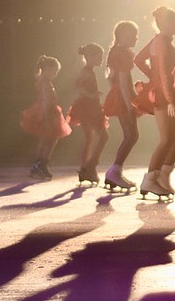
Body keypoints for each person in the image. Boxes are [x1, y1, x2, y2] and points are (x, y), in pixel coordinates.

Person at [133, 7, 175, 201]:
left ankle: (162, 176)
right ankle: (150, 179)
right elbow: (164, 74)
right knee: (168, 138)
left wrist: (153, 77)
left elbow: (139, 59)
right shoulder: (161, 42)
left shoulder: (158, 40)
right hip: (163, 95)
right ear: (165, 23)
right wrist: (166, 94)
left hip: (163, 90)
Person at [19, 55, 72, 180]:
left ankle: (40, 164)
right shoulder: (44, 82)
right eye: (54, 71)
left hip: (48, 110)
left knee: (48, 139)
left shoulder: (42, 80)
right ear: (47, 69)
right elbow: (46, 99)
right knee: (49, 139)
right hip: (48, 111)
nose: (55, 74)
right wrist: (46, 115)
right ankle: (40, 164)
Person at [102, 21, 140, 191]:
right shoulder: (122, 54)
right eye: (133, 34)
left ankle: (115, 171)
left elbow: (111, 79)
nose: (136, 38)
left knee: (131, 136)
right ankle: (114, 170)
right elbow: (124, 82)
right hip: (123, 97)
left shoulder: (115, 52)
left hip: (120, 95)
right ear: (123, 35)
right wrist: (130, 106)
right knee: (131, 135)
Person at [67, 43, 109, 186]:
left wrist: (93, 94)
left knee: (90, 138)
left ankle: (86, 169)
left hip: (89, 106)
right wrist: (91, 94)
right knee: (103, 136)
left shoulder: (90, 71)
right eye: (99, 57)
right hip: (88, 108)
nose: (101, 59)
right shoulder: (86, 71)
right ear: (90, 57)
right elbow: (77, 85)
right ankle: (90, 166)